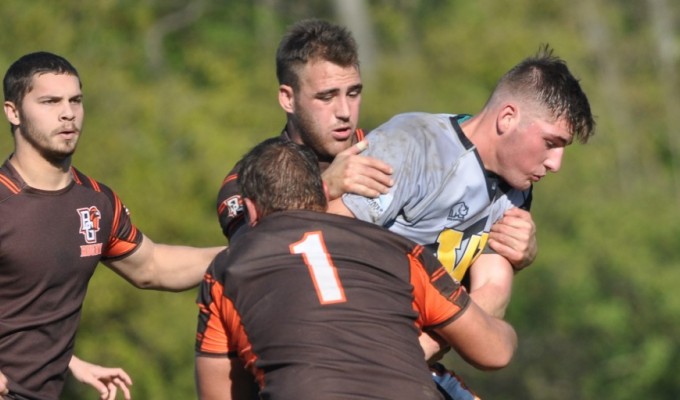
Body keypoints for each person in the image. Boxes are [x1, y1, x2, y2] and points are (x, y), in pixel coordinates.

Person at [214, 19, 538, 399]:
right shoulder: (251, 180)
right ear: (288, 98)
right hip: (313, 371)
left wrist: (515, 247)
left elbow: (449, 239)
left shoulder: (390, 151)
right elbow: (261, 263)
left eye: (353, 93)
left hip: (412, 356)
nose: (344, 112)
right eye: (326, 97)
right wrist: (324, 189)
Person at [327, 45, 595, 397]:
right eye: (550, 142)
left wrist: (412, 353)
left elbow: (493, 296)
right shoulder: (413, 145)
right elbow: (325, 243)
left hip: (409, 360)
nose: (556, 163)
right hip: (346, 355)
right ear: (507, 118)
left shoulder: (516, 190)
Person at [195, 137, 517, 400]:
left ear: (250, 211)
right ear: (324, 193)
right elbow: (494, 351)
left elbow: (219, 393)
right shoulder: (400, 251)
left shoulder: (227, 270)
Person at [0, 51, 224, 400]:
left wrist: (249, 249)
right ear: (12, 111)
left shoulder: (96, 203)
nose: (67, 113)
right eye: (49, 101)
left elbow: (153, 266)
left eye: (75, 100)